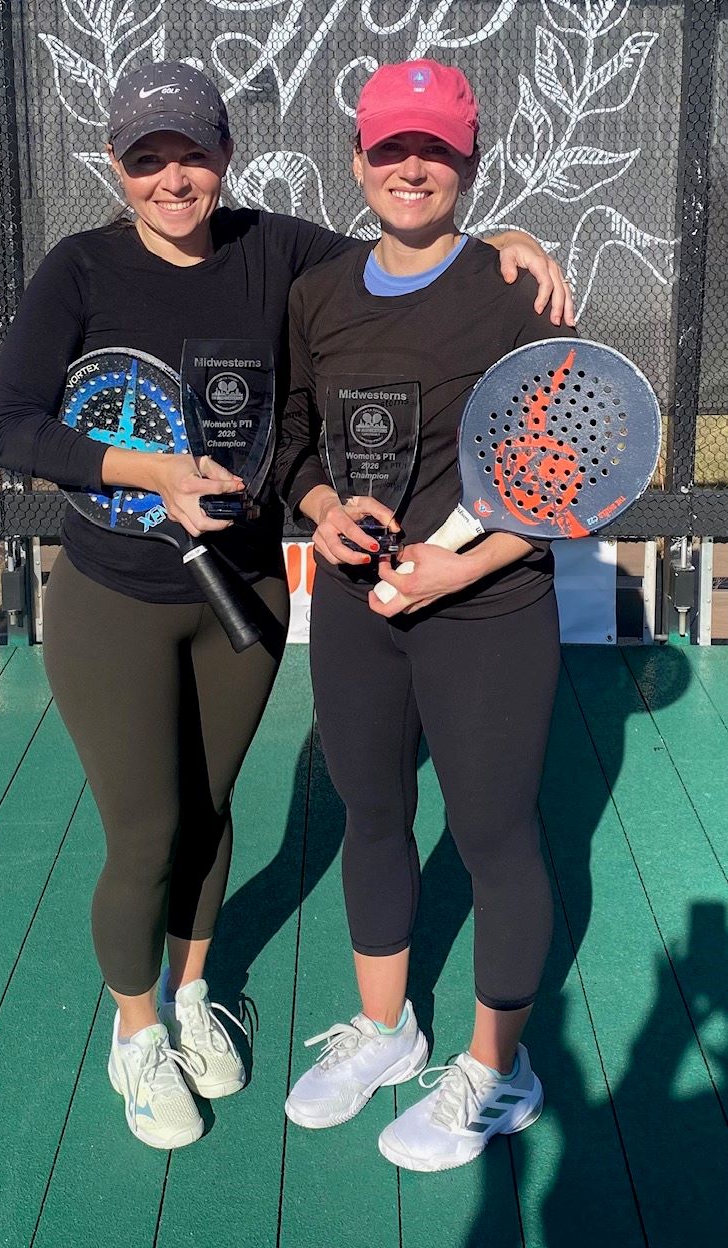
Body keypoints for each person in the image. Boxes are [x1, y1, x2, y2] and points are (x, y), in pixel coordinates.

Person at [0, 59, 573, 1152]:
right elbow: (13, 426)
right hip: (129, 591)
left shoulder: (285, 253)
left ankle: (220, 998)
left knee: (226, 812)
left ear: (227, 155)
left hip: (255, 594)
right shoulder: (89, 268)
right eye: (146, 158)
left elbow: (422, 264)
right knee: (161, 827)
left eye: (192, 153)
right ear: (115, 165)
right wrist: (172, 475)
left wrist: (513, 239)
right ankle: (148, 1033)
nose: (172, 178)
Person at [277, 58, 576, 1171]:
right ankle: (385, 1028)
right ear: (357, 158)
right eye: (391, 147)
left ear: (470, 162)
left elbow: (558, 476)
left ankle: (500, 1070)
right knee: (371, 812)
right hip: (359, 605)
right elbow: (293, 440)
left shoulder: (516, 291)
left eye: (435, 150)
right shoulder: (317, 293)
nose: (412, 167)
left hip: (487, 610)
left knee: (493, 833)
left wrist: (461, 569)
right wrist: (320, 511)